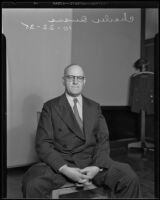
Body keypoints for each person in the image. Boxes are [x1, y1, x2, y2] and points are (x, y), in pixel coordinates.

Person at [22, 64, 142, 198]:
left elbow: (103, 140)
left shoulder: (94, 107)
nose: (75, 81)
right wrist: (65, 169)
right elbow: (43, 144)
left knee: (129, 177)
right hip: (62, 163)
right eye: (70, 77)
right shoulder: (50, 107)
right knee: (32, 183)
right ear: (63, 80)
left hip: (92, 162)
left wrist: (96, 167)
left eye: (79, 78)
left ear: (84, 81)